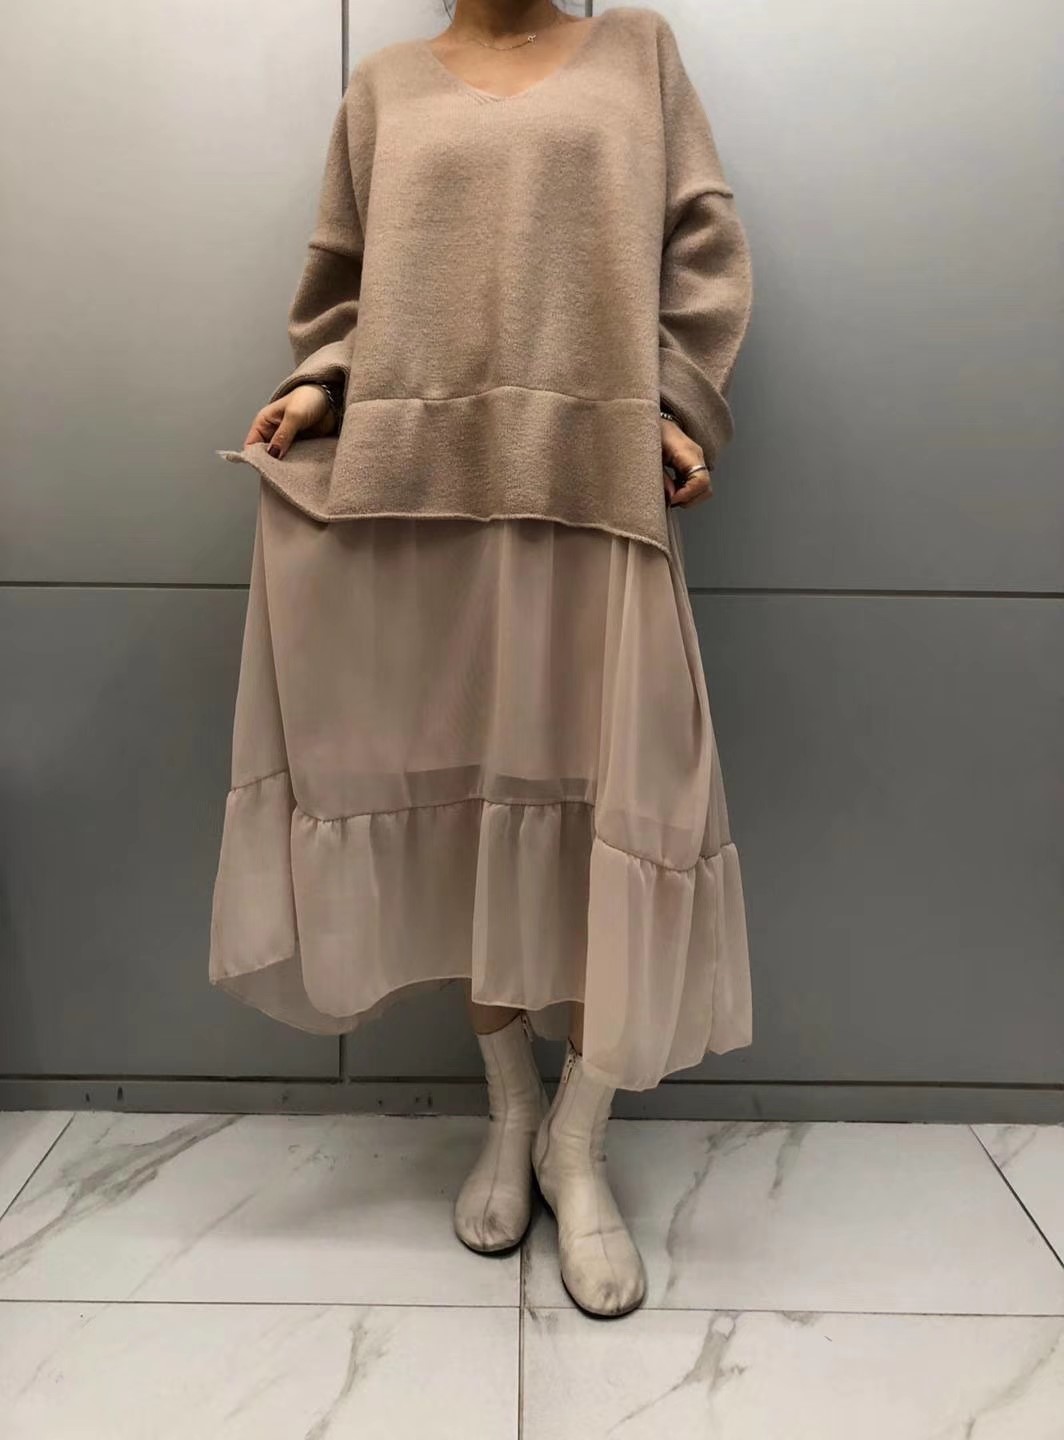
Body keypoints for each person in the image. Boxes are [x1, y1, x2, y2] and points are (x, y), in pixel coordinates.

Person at [209, 0, 754, 1319]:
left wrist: (677, 401)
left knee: (622, 798)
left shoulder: (640, 53)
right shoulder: (387, 87)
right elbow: (348, 280)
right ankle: (511, 1110)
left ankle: (581, 1136)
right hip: (423, 494)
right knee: (468, 804)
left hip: (590, 480)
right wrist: (321, 383)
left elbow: (702, 251)